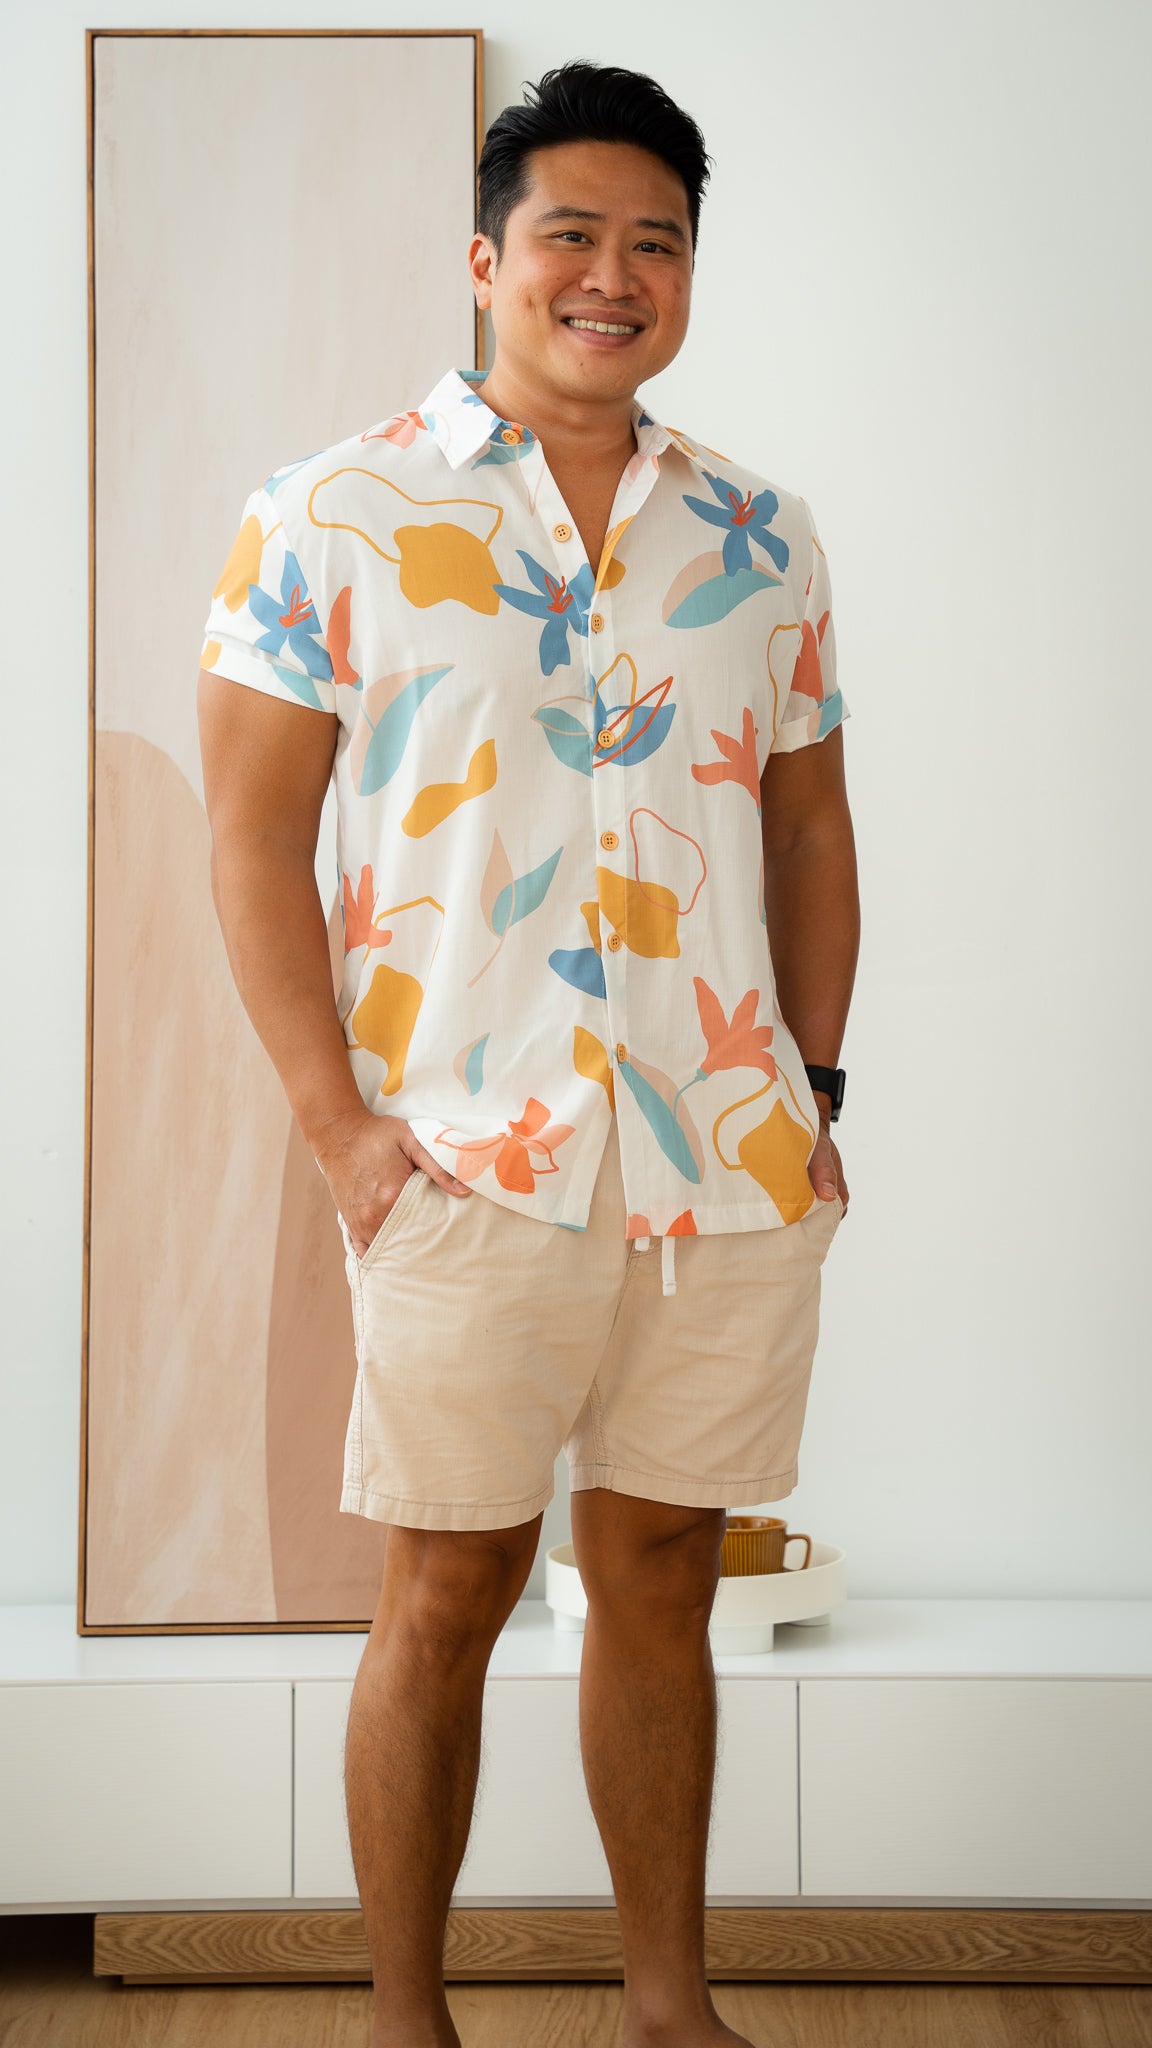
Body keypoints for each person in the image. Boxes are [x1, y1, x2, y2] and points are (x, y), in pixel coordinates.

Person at [197, 57, 859, 2048]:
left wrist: (814, 1092)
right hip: (460, 1151)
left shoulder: (762, 532)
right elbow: (249, 839)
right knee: (447, 1592)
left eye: (658, 242)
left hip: (720, 1157)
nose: (613, 275)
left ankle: (669, 2008)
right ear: (486, 260)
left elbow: (809, 829)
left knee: (662, 1576)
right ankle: (407, 2022)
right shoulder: (327, 514)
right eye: (572, 233)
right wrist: (341, 1131)